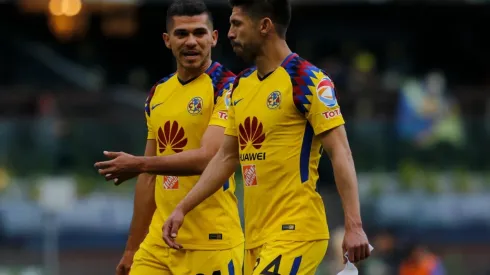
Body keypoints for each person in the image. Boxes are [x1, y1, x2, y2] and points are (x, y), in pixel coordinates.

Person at [162, 0, 371, 274]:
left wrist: (354, 226)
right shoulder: (240, 85)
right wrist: (182, 207)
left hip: (296, 231)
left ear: (264, 26)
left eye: (237, 24)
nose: (230, 33)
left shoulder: (307, 80)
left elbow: (340, 152)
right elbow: (226, 157)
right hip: (256, 238)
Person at [94, 1, 244, 274]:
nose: (191, 42)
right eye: (181, 34)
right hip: (157, 244)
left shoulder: (229, 87)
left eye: (199, 33)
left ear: (214, 37)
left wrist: (139, 164)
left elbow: (208, 158)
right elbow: (148, 177)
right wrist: (132, 247)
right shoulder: (158, 93)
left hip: (211, 242)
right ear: (167, 40)